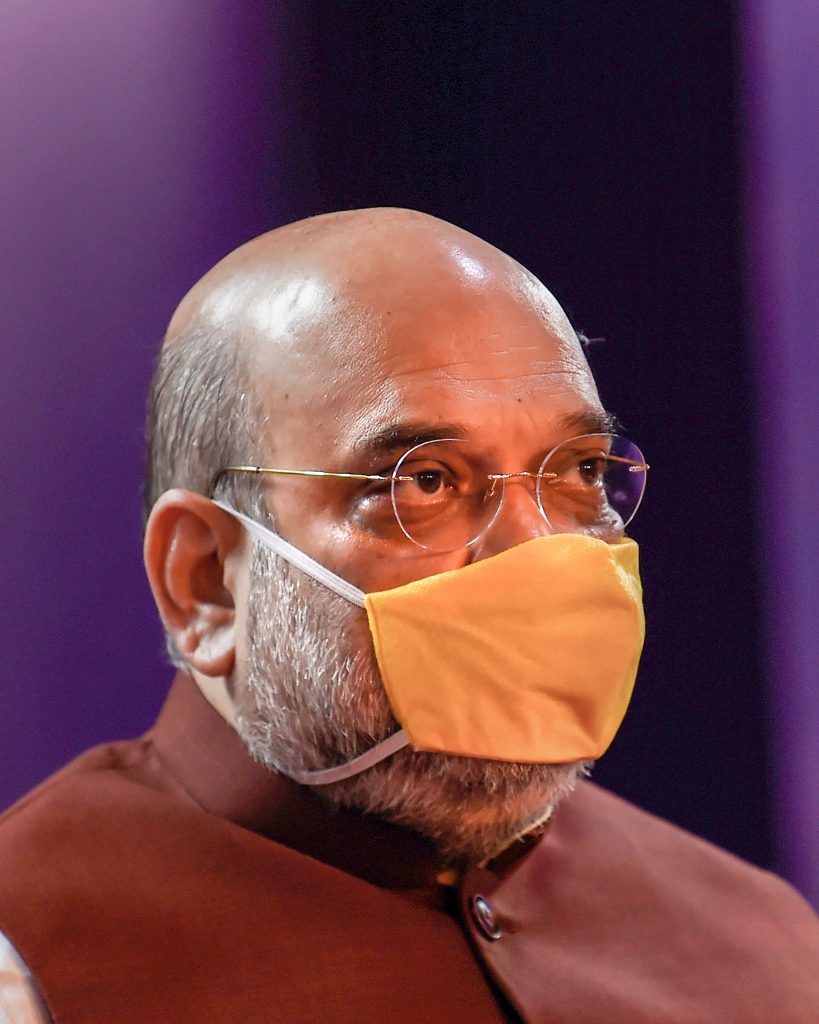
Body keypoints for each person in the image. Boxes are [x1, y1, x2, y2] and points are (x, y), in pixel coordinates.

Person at [0, 209, 816, 1024]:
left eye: (579, 470)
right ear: (206, 581)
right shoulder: (31, 963)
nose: (538, 553)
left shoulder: (760, 944)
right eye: (422, 482)